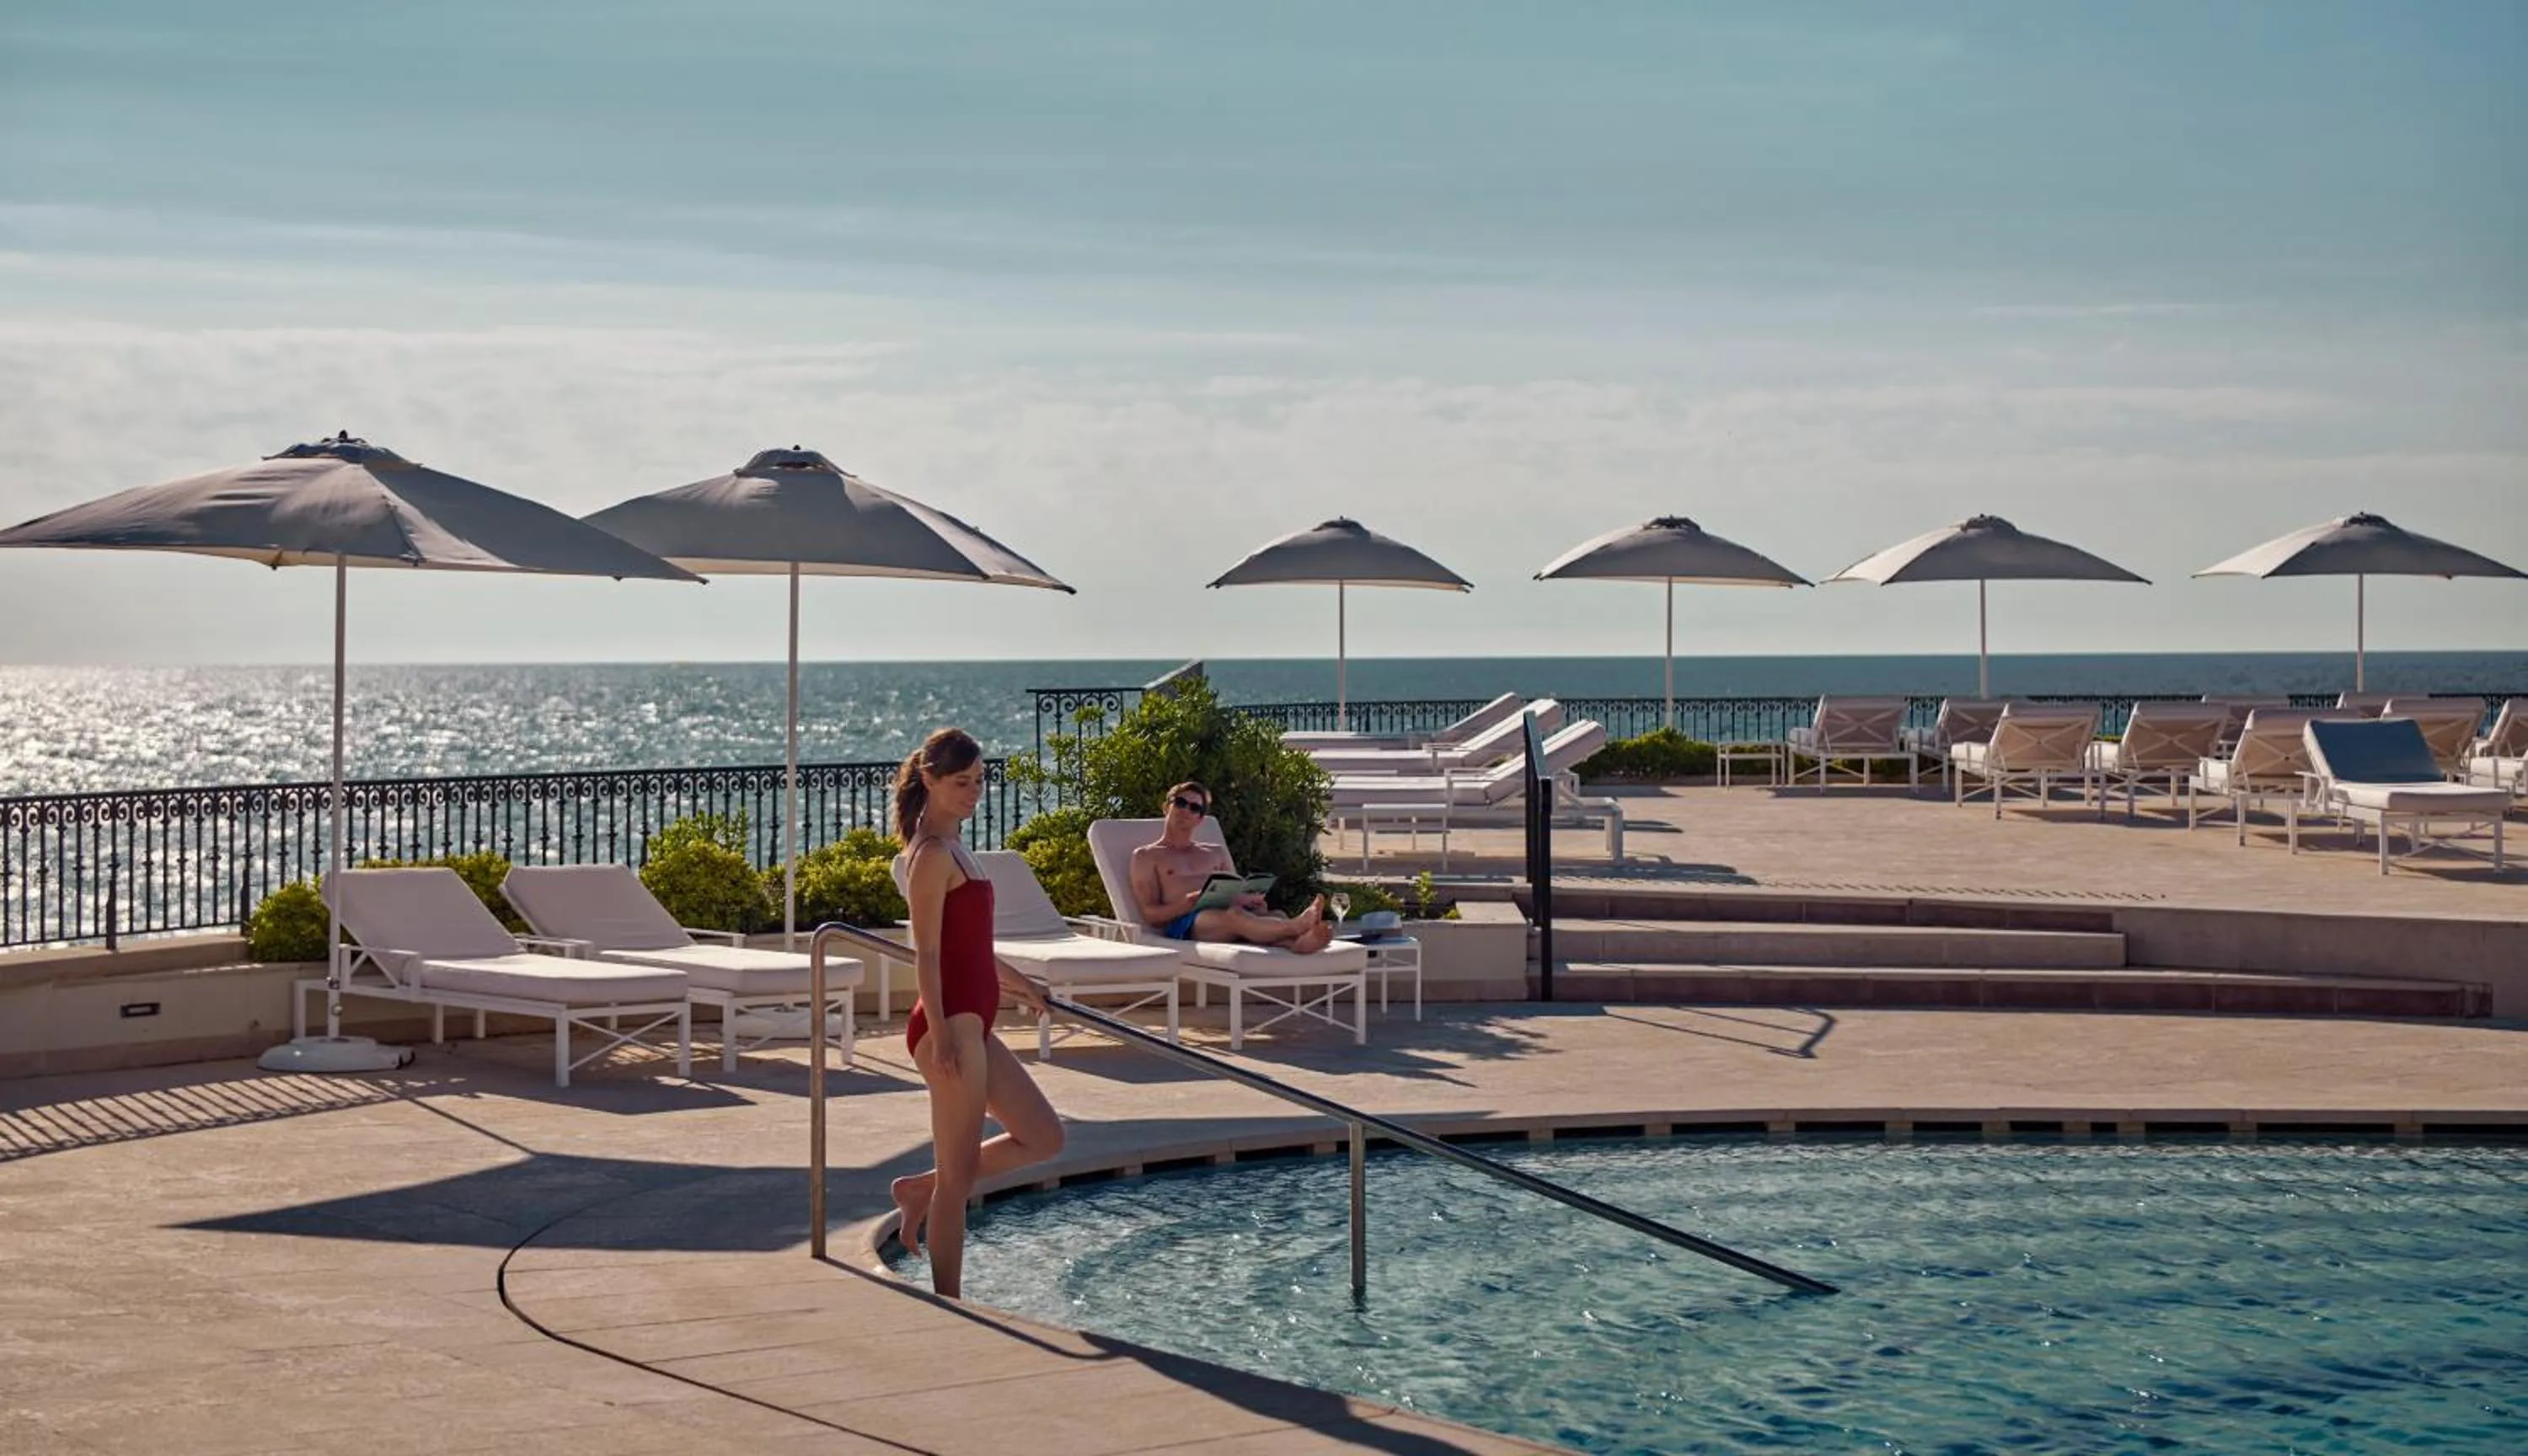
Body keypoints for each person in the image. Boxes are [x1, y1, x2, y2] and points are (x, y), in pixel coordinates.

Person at [886, 726, 1063, 1298]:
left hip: (973, 1020)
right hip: (951, 1025)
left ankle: (919, 1192)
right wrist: (939, 1037)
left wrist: (1021, 983)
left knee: (1044, 1136)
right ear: (930, 781)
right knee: (957, 1182)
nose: (973, 792)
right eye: (961, 783)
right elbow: (928, 952)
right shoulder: (932, 855)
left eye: (980, 781)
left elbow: (972, 947)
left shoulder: (958, 848)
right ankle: (950, 1302)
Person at [1127, 781, 1334, 952]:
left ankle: (1297, 944)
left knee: (1274, 915)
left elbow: (1236, 889)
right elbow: (1150, 915)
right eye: (1180, 802)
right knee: (1235, 916)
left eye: (1194, 808)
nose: (1186, 810)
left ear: (1200, 819)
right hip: (1188, 923)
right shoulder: (1146, 856)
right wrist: (1190, 902)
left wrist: (1252, 901)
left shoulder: (1215, 852)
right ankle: (1296, 927)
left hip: (1229, 914)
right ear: (1167, 807)